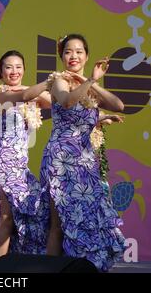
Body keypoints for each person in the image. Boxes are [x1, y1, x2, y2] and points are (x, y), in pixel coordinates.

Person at [40, 34, 126, 272]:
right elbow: (67, 102)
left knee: (90, 219)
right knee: (59, 223)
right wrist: (88, 81)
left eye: (79, 51)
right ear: (62, 56)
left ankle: (83, 269)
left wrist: (94, 83)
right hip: (61, 160)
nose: (73, 56)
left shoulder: (89, 86)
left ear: (87, 56)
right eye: (68, 51)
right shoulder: (58, 80)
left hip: (85, 162)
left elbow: (119, 105)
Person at [0, 50, 51, 259]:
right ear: (0, 72)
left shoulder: (29, 95)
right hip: (5, 162)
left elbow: (49, 100)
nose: (14, 71)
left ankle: (16, 262)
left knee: (31, 211)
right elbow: (26, 95)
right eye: (8, 67)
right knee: (6, 217)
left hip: (20, 165)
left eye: (18, 67)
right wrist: (48, 82)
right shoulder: (3, 94)